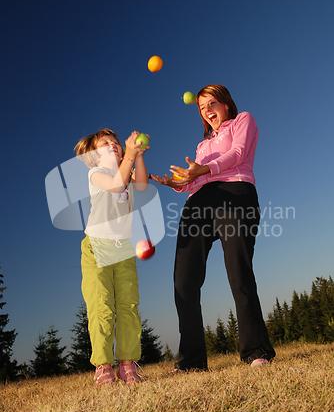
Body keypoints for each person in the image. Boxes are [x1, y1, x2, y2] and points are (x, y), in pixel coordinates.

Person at [150, 84, 275, 371]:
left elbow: (238, 153)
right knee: (184, 281)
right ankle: (192, 362)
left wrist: (204, 170)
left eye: (212, 103)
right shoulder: (202, 145)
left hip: (235, 194)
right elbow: (193, 182)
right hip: (198, 203)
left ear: (226, 105)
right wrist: (177, 183)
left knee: (238, 271)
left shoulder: (243, 120)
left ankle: (256, 351)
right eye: (202, 107)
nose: (207, 110)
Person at [74, 128, 149, 385]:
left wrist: (137, 155)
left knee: (129, 305)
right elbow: (116, 184)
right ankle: (103, 366)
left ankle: (127, 365)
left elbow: (141, 184)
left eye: (116, 142)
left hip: (122, 247)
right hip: (96, 246)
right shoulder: (96, 173)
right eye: (105, 143)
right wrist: (129, 154)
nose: (113, 145)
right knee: (102, 305)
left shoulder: (124, 172)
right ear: (95, 157)